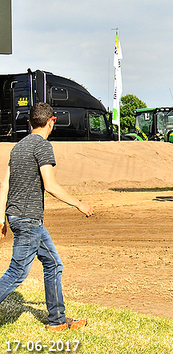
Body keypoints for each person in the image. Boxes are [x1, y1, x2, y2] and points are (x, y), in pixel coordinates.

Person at [0, 103, 95, 331]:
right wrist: (79, 204)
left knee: (53, 263)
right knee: (17, 272)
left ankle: (57, 321)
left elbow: (4, 185)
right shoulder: (42, 146)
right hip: (28, 219)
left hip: (19, 217)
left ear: (31, 122)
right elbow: (50, 185)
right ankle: (57, 320)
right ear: (51, 121)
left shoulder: (18, 147)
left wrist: (1, 219)